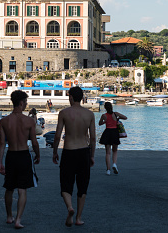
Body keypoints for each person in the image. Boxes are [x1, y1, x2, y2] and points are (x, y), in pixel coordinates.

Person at [53, 87, 95, 227]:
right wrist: (92, 155)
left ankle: (70, 207)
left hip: (69, 151)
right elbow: (93, 138)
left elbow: (58, 135)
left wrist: (55, 152)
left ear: (71, 97)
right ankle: (78, 218)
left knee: (66, 184)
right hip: (84, 151)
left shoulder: (64, 113)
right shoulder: (89, 114)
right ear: (82, 98)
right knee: (82, 186)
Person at [0, 90, 40, 229]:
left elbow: (2, 144)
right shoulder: (29, 121)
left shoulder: (4, 121)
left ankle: (9, 216)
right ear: (21, 103)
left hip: (11, 156)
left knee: (9, 188)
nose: (26, 105)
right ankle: (18, 219)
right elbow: (34, 142)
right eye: (26, 102)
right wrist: (38, 155)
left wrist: (0, 162)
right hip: (23, 156)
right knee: (22, 189)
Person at [99, 102, 127, 175]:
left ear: (105, 108)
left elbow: (99, 123)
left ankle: (108, 170)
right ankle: (114, 164)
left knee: (108, 153)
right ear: (111, 107)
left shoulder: (104, 115)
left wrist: (105, 122)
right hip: (115, 133)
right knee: (115, 151)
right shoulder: (115, 114)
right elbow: (125, 117)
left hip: (107, 132)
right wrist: (118, 118)